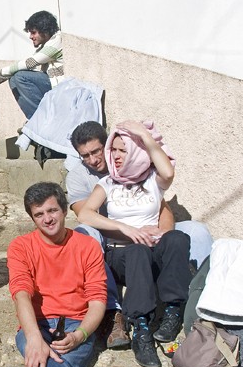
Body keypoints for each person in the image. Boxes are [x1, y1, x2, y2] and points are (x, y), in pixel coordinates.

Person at [66, 121, 212, 350]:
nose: (93, 160)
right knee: (84, 234)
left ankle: (203, 301)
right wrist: (128, 230)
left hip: (148, 236)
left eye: (96, 151)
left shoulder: (143, 171)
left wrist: (162, 235)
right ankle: (113, 311)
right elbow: (85, 215)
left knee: (196, 231)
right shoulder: (87, 179)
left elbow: (161, 205)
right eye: (85, 155)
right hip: (113, 240)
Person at [8, 182, 107, 367]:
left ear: (64, 211)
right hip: (37, 324)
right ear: (32, 218)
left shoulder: (86, 245)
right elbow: (21, 294)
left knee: (62, 362)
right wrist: (35, 339)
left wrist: (82, 334)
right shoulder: (21, 246)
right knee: (40, 352)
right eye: (39, 214)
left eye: (52, 210)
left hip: (78, 323)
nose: (47, 218)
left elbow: (98, 299)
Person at [0, 10, 63, 119]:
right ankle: (35, 119)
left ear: (45, 31)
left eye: (33, 32)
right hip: (53, 86)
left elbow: (30, 63)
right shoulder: (46, 45)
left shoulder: (57, 40)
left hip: (62, 89)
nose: (30, 36)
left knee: (21, 77)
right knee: (14, 78)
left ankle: (39, 120)